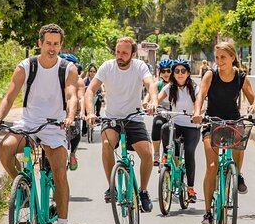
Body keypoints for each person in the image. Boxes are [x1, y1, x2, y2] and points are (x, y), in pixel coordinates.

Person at [0, 24, 78, 224]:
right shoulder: (26, 66)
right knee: (6, 148)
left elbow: (72, 95)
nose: (52, 48)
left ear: (60, 45)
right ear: (39, 44)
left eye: (56, 44)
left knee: (59, 171)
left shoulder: (67, 68)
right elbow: (9, 95)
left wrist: (70, 116)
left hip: (54, 126)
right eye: (48, 44)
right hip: (29, 123)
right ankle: (24, 191)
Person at [192, 41, 255, 224]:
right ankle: (208, 213)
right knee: (212, 166)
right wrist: (197, 112)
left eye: (223, 57)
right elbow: (201, 96)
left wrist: (254, 104)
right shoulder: (210, 75)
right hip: (212, 121)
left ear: (232, 57)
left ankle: (237, 175)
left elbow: (253, 98)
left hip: (233, 120)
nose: (219, 61)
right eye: (217, 57)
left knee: (240, 143)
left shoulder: (241, 77)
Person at [85, 37, 158, 212]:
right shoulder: (107, 67)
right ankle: (112, 187)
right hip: (112, 119)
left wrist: (153, 100)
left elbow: (150, 84)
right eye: (118, 52)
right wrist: (90, 112)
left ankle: (143, 191)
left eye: (124, 53)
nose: (120, 56)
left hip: (134, 118)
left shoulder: (139, 67)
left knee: (148, 154)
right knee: (106, 144)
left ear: (133, 54)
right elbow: (90, 90)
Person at [158, 58, 201, 203]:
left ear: (188, 73)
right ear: (173, 74)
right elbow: (156, 99)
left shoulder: (195, 87)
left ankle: (190, 188)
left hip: (191, 126)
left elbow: (199, 103)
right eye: (177, 71)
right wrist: (149, 103)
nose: (180, 73)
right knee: (164, 127)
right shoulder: (170, 87)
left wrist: (197, 113)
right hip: (176, 124)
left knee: (189, 152)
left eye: (183, 71)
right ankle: (166, 157)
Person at [143, 58, 173, 165]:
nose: (166, 73)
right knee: (157, 124)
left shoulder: (177, 84)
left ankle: (166, 154)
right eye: (163, 71)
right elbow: (148, 96)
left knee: (168, 131)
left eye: (168, 71)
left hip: (175, 114)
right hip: (161, 112)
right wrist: (146, 103)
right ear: (159, 72)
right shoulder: (158, 85)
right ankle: (156, 154)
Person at [59, 54, 84, 171]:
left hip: (73, 112)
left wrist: (82, 112)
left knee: (76, 133)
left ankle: (73, 153)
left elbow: (80, 98)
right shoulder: (54, 78)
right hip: (57, 112)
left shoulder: (78, 81)